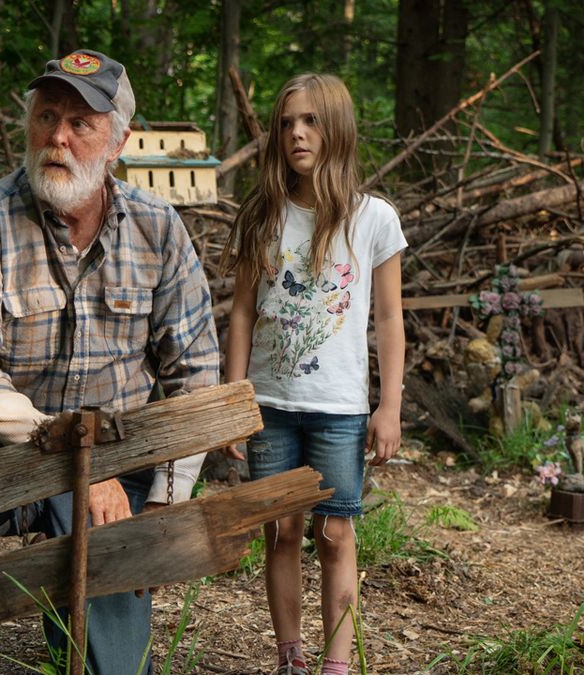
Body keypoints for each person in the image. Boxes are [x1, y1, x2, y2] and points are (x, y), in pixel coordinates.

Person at [0, 49, 219, 675]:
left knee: (117, 670)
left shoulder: (158, 229)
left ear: (118, 140)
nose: (58, 138)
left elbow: (196, 376)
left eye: (81, 123)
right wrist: (70, 455)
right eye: (47, 117)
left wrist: (163, 501)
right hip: (7, 456)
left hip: (114, 475)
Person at [221, 73, 406, 675]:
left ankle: (337, 663)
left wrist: (389, 407)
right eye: (286, 123)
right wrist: (234, 401)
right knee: (281, 531)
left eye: (310, 121)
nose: (297, 133)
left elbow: (387, 318)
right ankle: (291, 656)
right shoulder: (263, 215)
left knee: (335, 535)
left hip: (340, 409)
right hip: (270, 406)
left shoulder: (373, 218)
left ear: (337, 129)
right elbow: (243, 312)